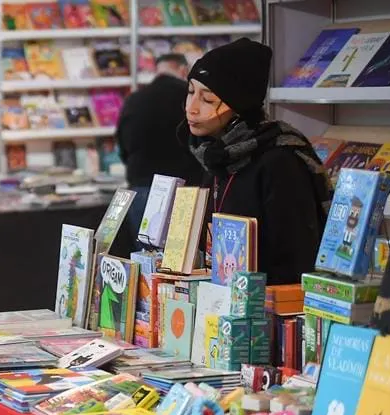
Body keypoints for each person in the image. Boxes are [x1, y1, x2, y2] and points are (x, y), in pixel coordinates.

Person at [184, 38, 332, 285]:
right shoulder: (215, 155)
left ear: (240, 104)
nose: (192, 108)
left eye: (208, 100)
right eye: (190, 93)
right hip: (221, 300)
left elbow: (295, 257)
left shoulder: (280, 160)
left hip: (266, 307)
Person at [114, 53, 205, 255]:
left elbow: (122, 145)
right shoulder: (189, 99)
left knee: (146, 264)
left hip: (141, 189)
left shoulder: (135, 99)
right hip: (183, 190)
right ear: (183, 70)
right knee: (179, 264)